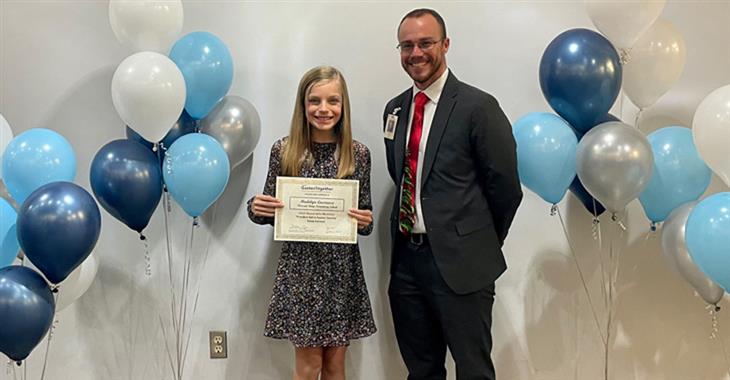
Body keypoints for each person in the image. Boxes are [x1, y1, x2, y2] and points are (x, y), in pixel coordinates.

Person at [383, 9, 523, 380]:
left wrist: (476, 240)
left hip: (462, 265)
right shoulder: (395, 109)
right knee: (421, 370)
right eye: (407, 45)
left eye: (426, 43)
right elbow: (400, 177)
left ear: (445, 44)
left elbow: (506, 187)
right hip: (407, 265)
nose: (416, 53)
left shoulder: (478, 107)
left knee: (473, 370)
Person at [248, 66, 376, 380]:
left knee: (335, 366)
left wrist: (366, 220)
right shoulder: (286, 150)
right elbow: (268, 212)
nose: (323, 109)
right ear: (302, 105)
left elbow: (365, 217)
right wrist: (255, 207)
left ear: (343, 105)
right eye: (314, 101)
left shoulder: (357, 154)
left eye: (333, 100)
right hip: (301, 272)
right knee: (308, 368)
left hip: (341, 272)